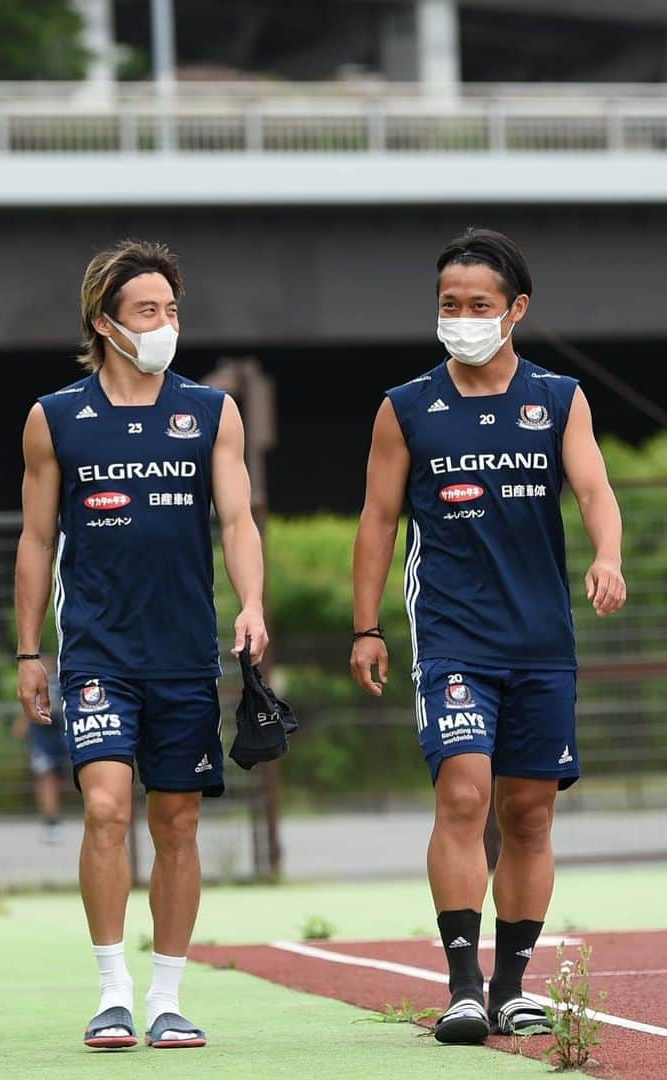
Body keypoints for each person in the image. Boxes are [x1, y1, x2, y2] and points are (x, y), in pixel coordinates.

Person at [350, 228, 626, 1044]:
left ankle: (513, 985)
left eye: (478, 305)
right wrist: (366, 626)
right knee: (464, 792)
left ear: (516, 310)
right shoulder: (405, 408)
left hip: (541, 638)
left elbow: (596, 489)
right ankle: (463, 983)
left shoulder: (559, 397)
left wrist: (608, 555)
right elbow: (376, 521)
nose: (462, 317)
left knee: (530, 810)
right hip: (452, 635)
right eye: (450, 305)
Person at [14, 239, 268, 1050]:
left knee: (179, 824)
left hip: (186, 655)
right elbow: (33, 539)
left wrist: (252, 604)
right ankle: (112, 990)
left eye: (170, 309)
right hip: (96, 654)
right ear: (105, 323)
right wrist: (29, 651)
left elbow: (237, 519)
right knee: (103, 809)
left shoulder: (211, 412)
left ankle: (168, 996)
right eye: (147, 311)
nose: (165, 325)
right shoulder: (54, 419)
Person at [12, 653, 71, 844]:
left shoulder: (64, 682)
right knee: (46, 779)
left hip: (65, 740)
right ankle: (51, 821)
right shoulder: (33, 684)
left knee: (62, 779)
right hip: (41, 743)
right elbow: (24, 716)